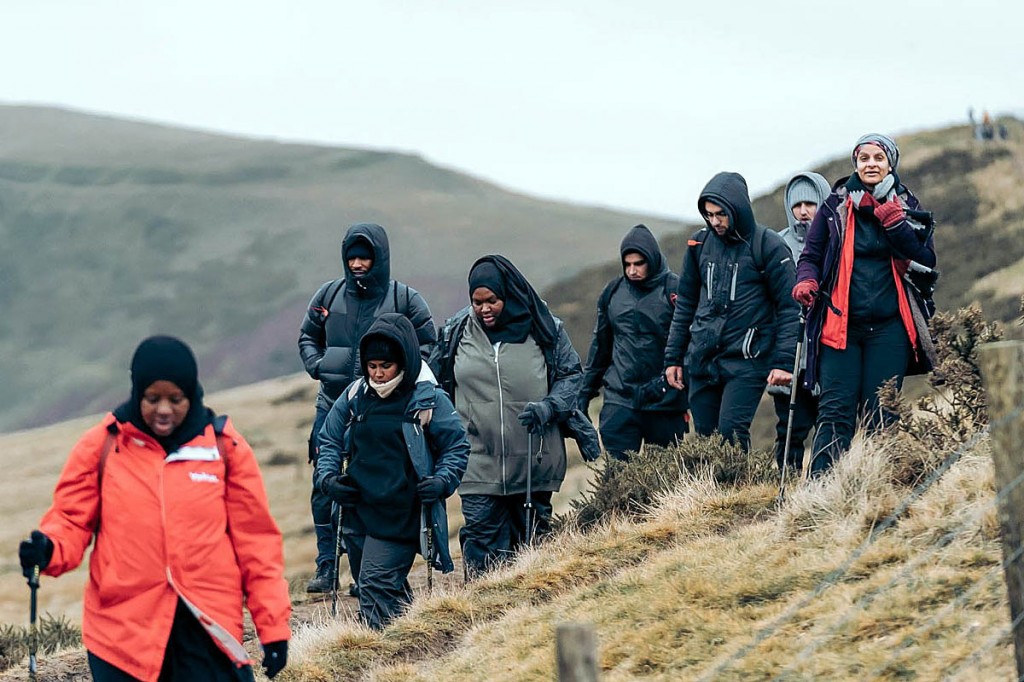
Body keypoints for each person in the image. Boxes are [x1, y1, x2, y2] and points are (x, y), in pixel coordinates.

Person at [17, 336, 290, 682]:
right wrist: (49, 549)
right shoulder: (102, 444)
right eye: (152, 398)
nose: (163, 409)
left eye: (175, 399)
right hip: (122, 638)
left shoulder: (224, 448)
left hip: (207, 631)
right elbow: (71, 521)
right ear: (137, 394)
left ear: (192, 395)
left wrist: (273, 627)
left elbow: (256, 544)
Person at [431, 255, 600, 579]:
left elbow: (570, 375)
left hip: (533, 458)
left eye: (492, 301)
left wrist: (549, 407)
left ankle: (531, 608)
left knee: (531, 546)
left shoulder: (544, 327)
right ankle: (482, 606)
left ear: (507, 295)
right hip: (477, 459)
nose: (484, 309)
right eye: (477, 302)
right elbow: (436, 383)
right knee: (482, 544)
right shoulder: (456, 332)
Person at [298, 222, 436, 594]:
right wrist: (318, 366)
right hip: (332, 404)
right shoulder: (328, 295)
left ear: (380, 258)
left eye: (365, 257)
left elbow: (428, 345)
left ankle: (369, 571)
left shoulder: (404, 299)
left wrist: (402, 386)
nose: (357, 264)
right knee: (324, 483)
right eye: (352, 258)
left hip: (381, 410)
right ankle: (327, 566)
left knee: (374, 482)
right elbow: (308, 336)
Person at [793, 133, 937, 476]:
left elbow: (926, 260)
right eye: (864, 158)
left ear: (890, 163)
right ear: (855, 163)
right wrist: (806, 281)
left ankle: (877, 487)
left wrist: (895, 223)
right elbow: (811, 255)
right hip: (841, 327)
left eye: (878, 158)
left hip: (890, 328)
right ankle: (821, 489)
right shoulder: (835, 204)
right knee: (835, 411)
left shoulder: (907, 204)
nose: (871, 164)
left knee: (882, 413)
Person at [315, 314, 469, 629]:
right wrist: (329, 479)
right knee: (376, 586)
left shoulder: (427, 398)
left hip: (402, 513)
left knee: (374, 583)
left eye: (386, 365)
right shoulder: (355, 395)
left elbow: (456, 445)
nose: (378, 373)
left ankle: (379, 648)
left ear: (404, 361)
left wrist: (442, 481)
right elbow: (328, 438)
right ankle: (415, 639)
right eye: (371, 366)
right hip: (357, 510)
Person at [663, 172, 799, 451]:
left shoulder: (769, 246)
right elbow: (686, 303)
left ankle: (738, 481)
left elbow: (789, 307)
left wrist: (784, 362)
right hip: (702, 359)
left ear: (737, 209)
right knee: (705, 440)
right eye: (709, 215)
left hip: (747, 360)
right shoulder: (699, 245)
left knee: (731, 434)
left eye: (720, 214)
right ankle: (713, 483)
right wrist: (673, 358)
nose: (714, 221)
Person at [578, 224, 688, 460]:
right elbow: (601, 347)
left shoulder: (674, 290)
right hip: (620, 401)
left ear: (652, 259)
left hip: (664, 402)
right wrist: (584, 393)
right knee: (618, 475)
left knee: (665, 474)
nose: (632, 270)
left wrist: (673, 384)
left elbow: (691, 344)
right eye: (627, 264)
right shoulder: (613, 292)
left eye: (639, 263)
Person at [770, 172, 831, 472]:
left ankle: (825, 480)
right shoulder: (777, 244)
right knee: (790, 428)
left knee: (829, 424)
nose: (803, 211)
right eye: (797, 205)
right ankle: (786, 477)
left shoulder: (836, 241)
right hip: (790, 354)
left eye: (810, 203)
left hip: (827, 350)